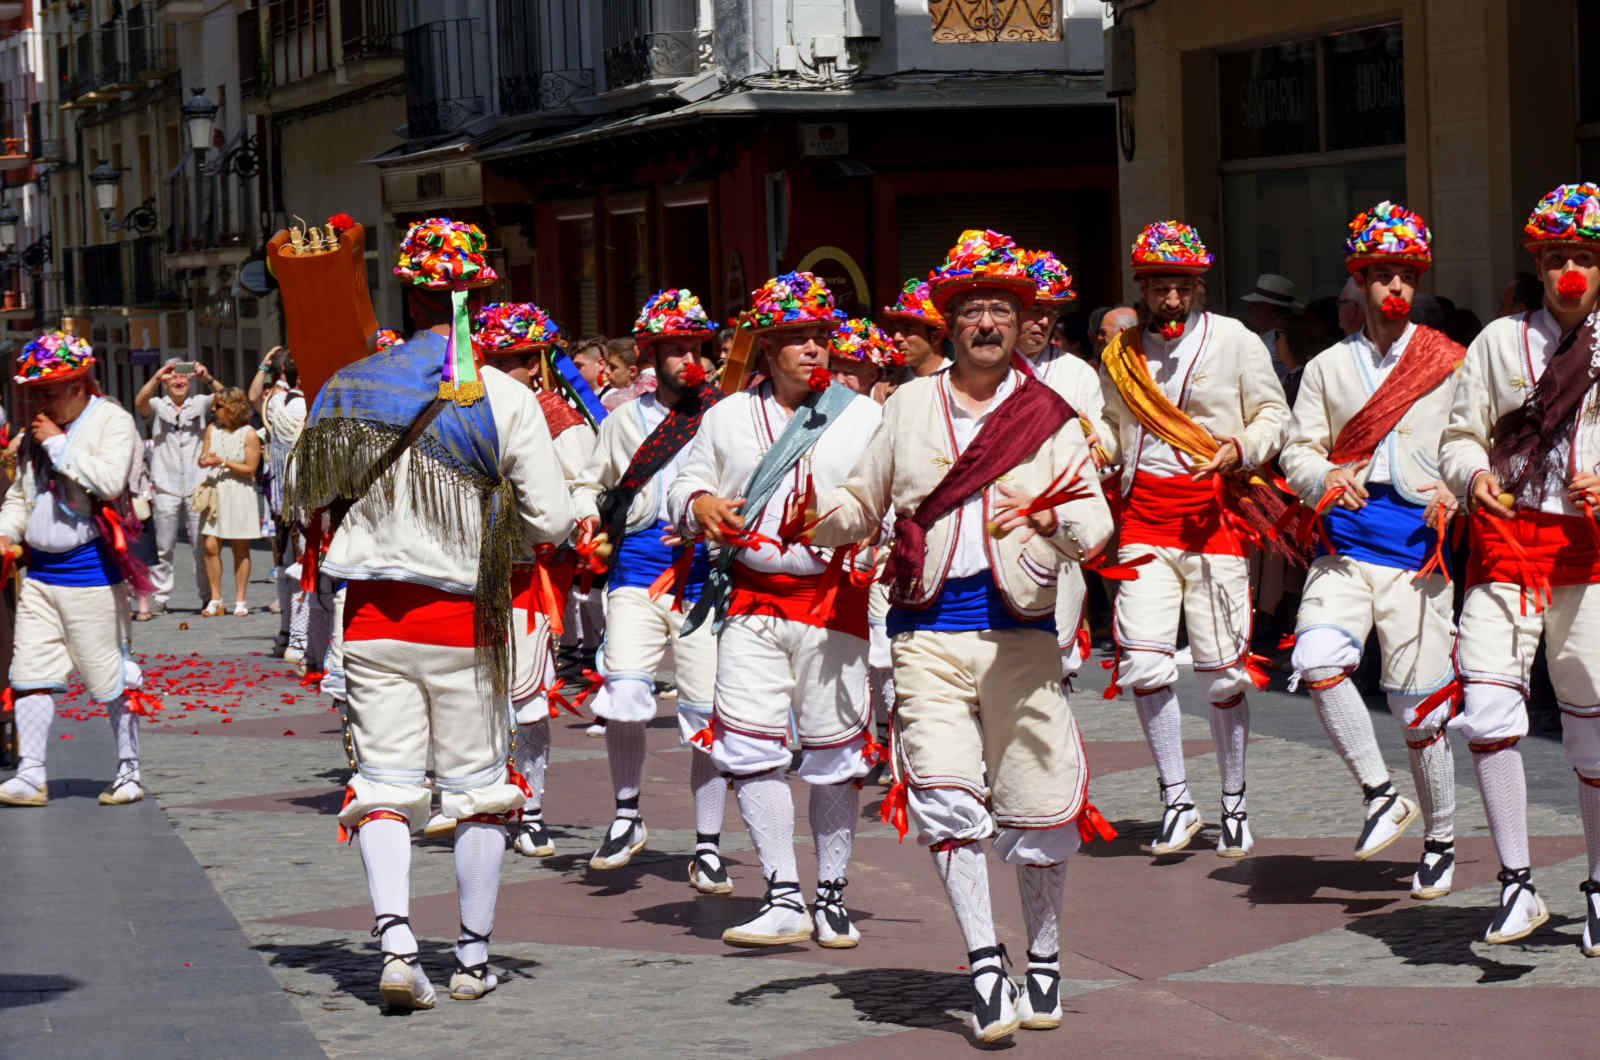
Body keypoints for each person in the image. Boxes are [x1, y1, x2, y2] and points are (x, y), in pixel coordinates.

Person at [805, 229, 1115, 1043]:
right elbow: (861, 501)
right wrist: (814, 518)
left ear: (1024, 323)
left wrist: (1052, 519)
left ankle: (1043, 956)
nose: (986, 323)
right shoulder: (906, 405)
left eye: (1001, 311)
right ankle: (984, 962)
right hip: (923, 631)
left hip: (1022, 634)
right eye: (972, 310)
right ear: (949, 324)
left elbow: (1096, 520)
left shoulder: (1051, 415)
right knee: (944, 797)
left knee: (1043, 813)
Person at [286, 217, 574, 1010]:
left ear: (405, 294)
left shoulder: (347, 383)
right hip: (464, 621)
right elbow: (549, 524)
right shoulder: (507, 396)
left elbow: (309, 497)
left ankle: (397, 942)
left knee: (381, 782)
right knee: (479, 787)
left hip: (372, 618)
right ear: (479, 297)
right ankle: (473, 957)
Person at [668, 271, 882, 949]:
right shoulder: (728, 414)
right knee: (752, 748)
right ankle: (782, 894)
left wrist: (858, 525)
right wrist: (700, 505)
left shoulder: (864, 414)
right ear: (765, 349)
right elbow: (685, 481)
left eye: (819, 336)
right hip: (752, 600)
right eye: (795, 339)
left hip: (834, 601)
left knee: (834, 754)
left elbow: (891, 498)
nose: (813, 350)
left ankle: (833, 894)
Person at [1279, 202, 1463, 899]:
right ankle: (1380, 795)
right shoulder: (1327, 368)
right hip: (1345, 549)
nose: (1393, 288)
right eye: (1380, 274)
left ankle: (1441, 837)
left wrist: (1458, 490)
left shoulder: (1447, 362)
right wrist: (1322, 478)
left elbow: (1473, 442)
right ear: (1356, 281)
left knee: (1419, 710)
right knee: (1317, 660)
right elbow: (1298, 449)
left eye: (1405, 275)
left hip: (1421, 553)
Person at [1096, 220, 1292, 858]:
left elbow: (1274, 417)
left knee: (1223, 674)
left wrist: (1239, 448)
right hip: (1144, 522)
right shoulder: (1121, 353)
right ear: (1142, 288)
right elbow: (1112, 423)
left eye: (1181, 287)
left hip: (1216, 523)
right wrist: (1098, 449)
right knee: (1145, 664)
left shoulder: (1233, 340)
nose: (1171, 300)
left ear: (1198, 286)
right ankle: (1176, 800)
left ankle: (1234, 804)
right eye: (1159, 288)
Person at [1440, 183, 1600, 951]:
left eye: (1585, 257)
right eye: (1559, 257)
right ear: (1538, 265)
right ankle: (1515, 886)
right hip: (1505, 547)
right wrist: (1473, 479)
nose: (1571, 271)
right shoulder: (1499, 344)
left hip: (1591, 555)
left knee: (1592, 732)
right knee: (1489, 710)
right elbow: (1458, 434)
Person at [574, 289, 729, 889]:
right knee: (626, 692)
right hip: (636, 573)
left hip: (704, 580)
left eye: (697, 346)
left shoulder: (724, 416)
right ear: (651, 355)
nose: (691, 358)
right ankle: (627, 815)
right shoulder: (621, 422)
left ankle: (709, 844)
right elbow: (591, 482)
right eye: (677, 348)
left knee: (704, 710)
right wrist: (587, 515)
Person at [0, 332, 151, 808]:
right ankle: (31, 775)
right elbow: (19, 498)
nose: (40, 400)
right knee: (29, 672)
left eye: (50, 390)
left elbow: (108, 482)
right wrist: (6, 533)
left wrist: (60, 444)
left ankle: (128, 771)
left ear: (80, 384)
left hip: (92, 575)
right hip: (41, 577)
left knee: (109, 674)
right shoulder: (37, 432)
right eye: (37, 391)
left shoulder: (113, 422)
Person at [471, 301, 596, 858]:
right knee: (471, 697)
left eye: (520, 360)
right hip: (464, 574)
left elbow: (587, 482)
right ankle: (478, 797)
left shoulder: (557, 417)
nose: (510, 371)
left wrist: (579, 514)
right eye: (499, 359)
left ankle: (531, 810)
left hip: (526, 573)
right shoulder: (460, 406)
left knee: (528, 700)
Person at [134, 357, 223, 612]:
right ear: (165, 382)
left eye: (182, 376)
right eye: (172, 377)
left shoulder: (201, 403)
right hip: (165, 483)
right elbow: (140, 403)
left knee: (200, 545)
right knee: (164, 546)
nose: (178, 381)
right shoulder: (157, 404)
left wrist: (207, 377)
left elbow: (228, 399)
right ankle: (160, 596)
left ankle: (207, 595)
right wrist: (155, 378)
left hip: (197, 482)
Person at [197, 387, 262, 617]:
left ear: (232, 408)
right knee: (210, 545)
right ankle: (216, 598)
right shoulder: (212, 429)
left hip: (239, 492)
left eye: (218, 406)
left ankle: (240, 599)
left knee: (240, 547)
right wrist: (205, 461)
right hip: (216, 490)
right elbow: (203, 456)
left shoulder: (249, 433)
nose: (214, 410)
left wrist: (223, 461)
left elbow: (250, 468)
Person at [879, 277, 949, 378]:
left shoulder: (958, 383)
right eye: (895, 330)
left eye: (907, 329)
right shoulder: (887, 387)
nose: (896, 338)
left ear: (936, 337)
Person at [1240, 273, 1302, 367]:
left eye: (1257, 305)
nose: (1250, 308)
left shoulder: (1278, 343)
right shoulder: (1266, 337)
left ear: (1273, 310)